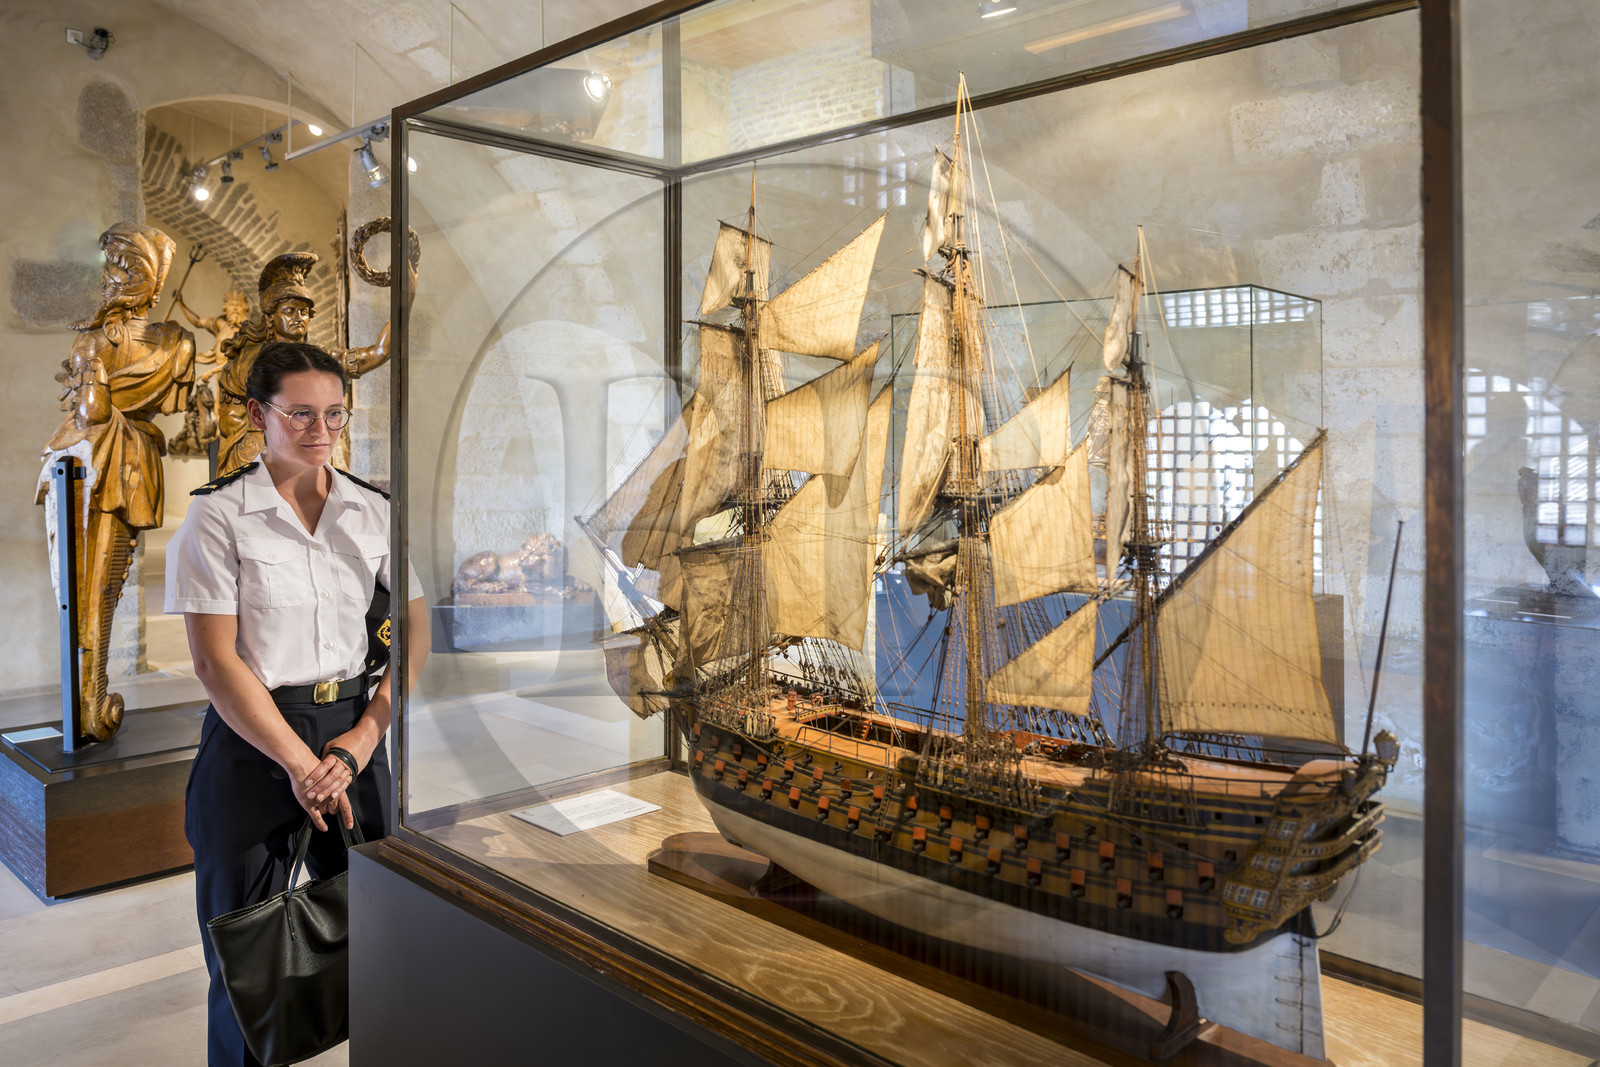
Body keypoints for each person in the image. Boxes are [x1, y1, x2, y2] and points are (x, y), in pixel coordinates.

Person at [165, 341, 427, 1065]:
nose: (322, 430)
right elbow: (216, 662)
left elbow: (414, 629)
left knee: (385, 937)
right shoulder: (218, 519)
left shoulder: (372, 510)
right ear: (258, 414)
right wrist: (299, 763)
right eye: (302, 413)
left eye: (335, 414)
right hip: (253, 741)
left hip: (354, 737)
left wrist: (362, 740)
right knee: (247, 961)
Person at [38, 221, 196, 739]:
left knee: (92, 585)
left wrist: (89, 370)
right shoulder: (179, 343)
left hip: (100, 457)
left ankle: (89, 701)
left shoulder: (93, 343)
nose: (109, 276)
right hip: (127, 458)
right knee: (100, 585)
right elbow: (167, 405)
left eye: (119, 267)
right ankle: (90, 701)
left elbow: (93, 409)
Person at [215, 253, 393, 474]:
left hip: (311, 450)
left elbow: (378, 352)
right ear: (271, 317)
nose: (298, 317)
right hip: (258, 453)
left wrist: (404, 297)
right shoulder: (249, 359)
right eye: (289, 311)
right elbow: (230, 415)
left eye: (305, 312)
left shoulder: (319, 360)